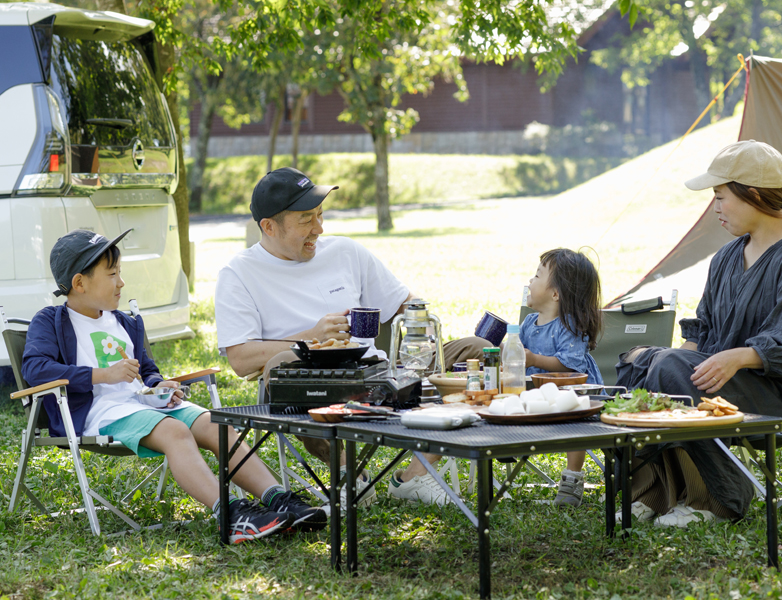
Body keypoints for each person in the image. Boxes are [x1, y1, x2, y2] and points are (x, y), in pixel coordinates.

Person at [22, 229, 328, 543]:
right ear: (79, 283)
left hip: (142, 405)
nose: (121, 282)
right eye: (112, 274)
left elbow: (148, 370)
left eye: (120, 273)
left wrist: (159, 385)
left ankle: (278, 499)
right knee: (174, 431)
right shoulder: (51, 321)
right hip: (101, 412)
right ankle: (232, 515)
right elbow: (35, 369)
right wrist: (103, 375)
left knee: (215, 424)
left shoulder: (125, 322)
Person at [215, 167, 490, 507]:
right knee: (288, 368)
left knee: (478, 352)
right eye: (305, 220)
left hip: (381, 372)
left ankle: (415, 476)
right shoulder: (239, 274)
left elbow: (405, 306)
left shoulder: (345, 251)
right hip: (312, 382)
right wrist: (311, 338)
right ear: (269, 227)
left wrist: (420, 329)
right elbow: (241, 359)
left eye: (320, 216)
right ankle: (351, 474)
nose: (318, 229)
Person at [615, 140, 782, 527]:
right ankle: (657, 493)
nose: (715, 208)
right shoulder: (725, 258)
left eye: (720, 197)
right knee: (641, 362)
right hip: (725, 382)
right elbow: (702, 331)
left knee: (669, 367)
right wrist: (666, 361)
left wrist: (735, 357)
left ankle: (722, 498)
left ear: (752, 194)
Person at [521, 248, 604, 507]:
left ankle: (572, 479)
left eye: (537, 276)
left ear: (555, 294)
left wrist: (533, 359)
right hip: (539, 396)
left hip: (576, 395)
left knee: (576, 422)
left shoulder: (570, 325)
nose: (530, 281)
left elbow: (571, 367)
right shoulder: (528, 323)